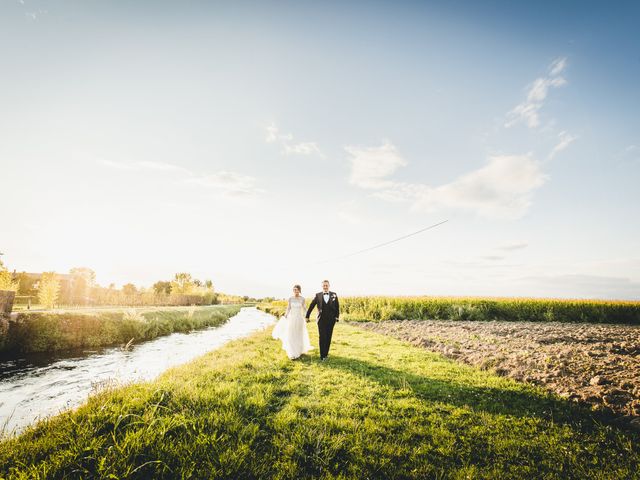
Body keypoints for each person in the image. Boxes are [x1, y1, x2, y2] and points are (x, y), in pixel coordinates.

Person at [271, 284, 313, 360]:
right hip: (292, 319)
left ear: (299, 290)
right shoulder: (290, 299)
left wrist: (307, 316)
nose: (295, 291)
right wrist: (286, 315)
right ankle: (292, 352)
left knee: (298, 334)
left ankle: (299, 351)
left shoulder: (302, 299)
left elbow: (304, 308)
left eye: (296, 290)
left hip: (299, 319)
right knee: (291, 335)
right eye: (294, 290)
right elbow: (288, 308)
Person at [305, 279, 340, 361]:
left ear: (329, 286)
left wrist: (337, 317)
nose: (325, 287)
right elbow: (311, 306)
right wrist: (307, 316)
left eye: (326, 285)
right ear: (322, 286)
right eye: (324, 285)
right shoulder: (318, 295)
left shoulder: (334, 295)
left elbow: (337, 307)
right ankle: (322, 356)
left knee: (328, 337)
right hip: (321, 320)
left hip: (331, 320)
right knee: (322, 337)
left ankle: (326, 354)